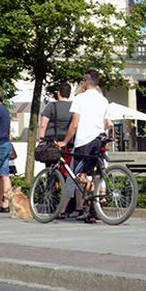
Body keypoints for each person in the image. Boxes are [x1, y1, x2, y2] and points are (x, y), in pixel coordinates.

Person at [57, 71, 112, 221]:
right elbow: (106, 122)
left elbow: (75, 124)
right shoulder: (104, 100)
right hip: (99, 139)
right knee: (94, 175)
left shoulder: (80, 98)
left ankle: (89, 204)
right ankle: (93, 207)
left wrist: (65, 141)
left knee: (79, 175)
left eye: (83, 81)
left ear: (86, 82)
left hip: (84, 140)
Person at [39, 82, 73, 146]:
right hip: (67, 140)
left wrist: (41, 141)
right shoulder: (73, 107)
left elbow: (43, 125)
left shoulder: (51, 106)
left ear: (58, 93)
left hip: (51, 140)